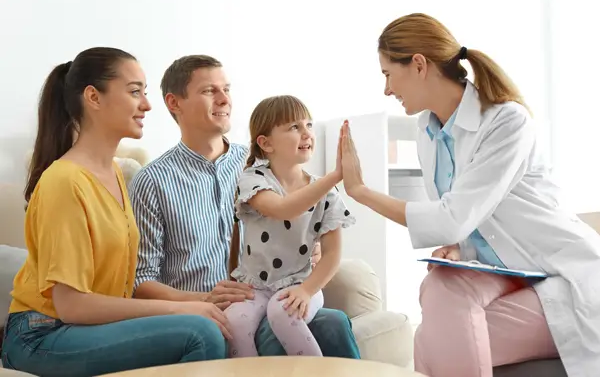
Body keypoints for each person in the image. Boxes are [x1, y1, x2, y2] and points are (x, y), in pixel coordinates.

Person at [337, 13, 600, 377]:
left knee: (430, 341)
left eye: (386, 74)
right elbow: (472, 222)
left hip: (560, 277)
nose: (386, 89)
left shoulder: (508, 122)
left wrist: (361, 192)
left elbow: (451, 218)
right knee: (441, 284)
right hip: (507, 272)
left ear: (417, 65)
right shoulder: (426, 132)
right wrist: (462, 248)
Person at [0, 48, 230, 377]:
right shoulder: (64, 182)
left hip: (86, 327)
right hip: (42, 334)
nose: (147, 105)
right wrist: (180, 309)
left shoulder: (114, 177)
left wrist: (206, 299)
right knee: (199, 332)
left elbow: (122, 287)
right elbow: (72, 305)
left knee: (213, 322)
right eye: (135, 91)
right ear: (93, 97)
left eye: (145, 93)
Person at [128, 55, 361, 358]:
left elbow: (300, 218)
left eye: (227, 89)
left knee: (334, 322)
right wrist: (204, 299)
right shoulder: (152, 181)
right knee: (295, 330)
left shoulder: (263, 165)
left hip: (275, 296)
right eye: (210, 91)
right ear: (175, 103)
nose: (225, 99)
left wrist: (308, 245)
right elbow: (141, 282)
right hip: (207, 315)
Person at [225, 95, 355, 357]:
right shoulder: (253, 179)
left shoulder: (327, 193)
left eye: (309, 125)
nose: (306, 133)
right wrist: (333, 176)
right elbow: (283, 209)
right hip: (255, 287)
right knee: (234, 322)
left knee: (283, 311)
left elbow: (332, 254)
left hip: (302, 283)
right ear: (265, 143)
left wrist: (307, 291)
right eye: (294, 127)